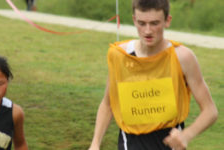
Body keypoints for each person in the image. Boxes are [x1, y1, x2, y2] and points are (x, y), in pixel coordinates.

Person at [88, 0, 218, 150]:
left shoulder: (183, 57)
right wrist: (95, 143)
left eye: (154, 23)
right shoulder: (119, 56)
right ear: (134, 20)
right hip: (130, 142)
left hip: (168, 143)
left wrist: (186, 135)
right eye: (142, 23)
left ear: (167, 21)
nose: (148, 31)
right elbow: (108, 104)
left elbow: (210, 111)